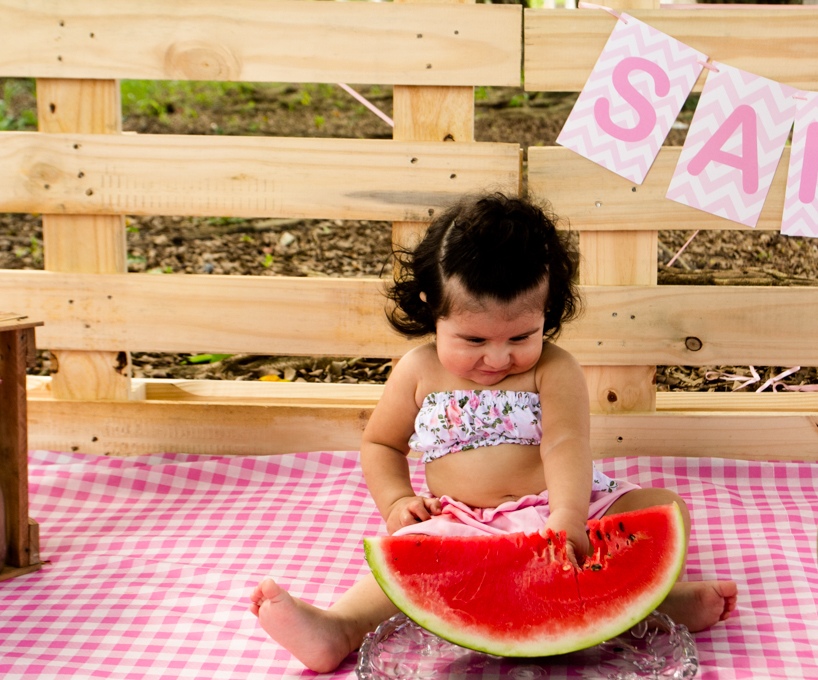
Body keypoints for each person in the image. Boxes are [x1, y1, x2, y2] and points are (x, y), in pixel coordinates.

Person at [249, 193, 737, 673]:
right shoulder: (417, 371)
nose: (499, 359)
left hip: (564, 507)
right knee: (408, 559)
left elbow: (566, 444)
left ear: (548, 311)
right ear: (430, 308)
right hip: (463, 522)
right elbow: (381, 443)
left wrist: (567, 518)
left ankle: (649, 601)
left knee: (666, 507)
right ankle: (340, 627)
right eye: (474, 340)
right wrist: (398, 501)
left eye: (521, 337)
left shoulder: (554, 369)